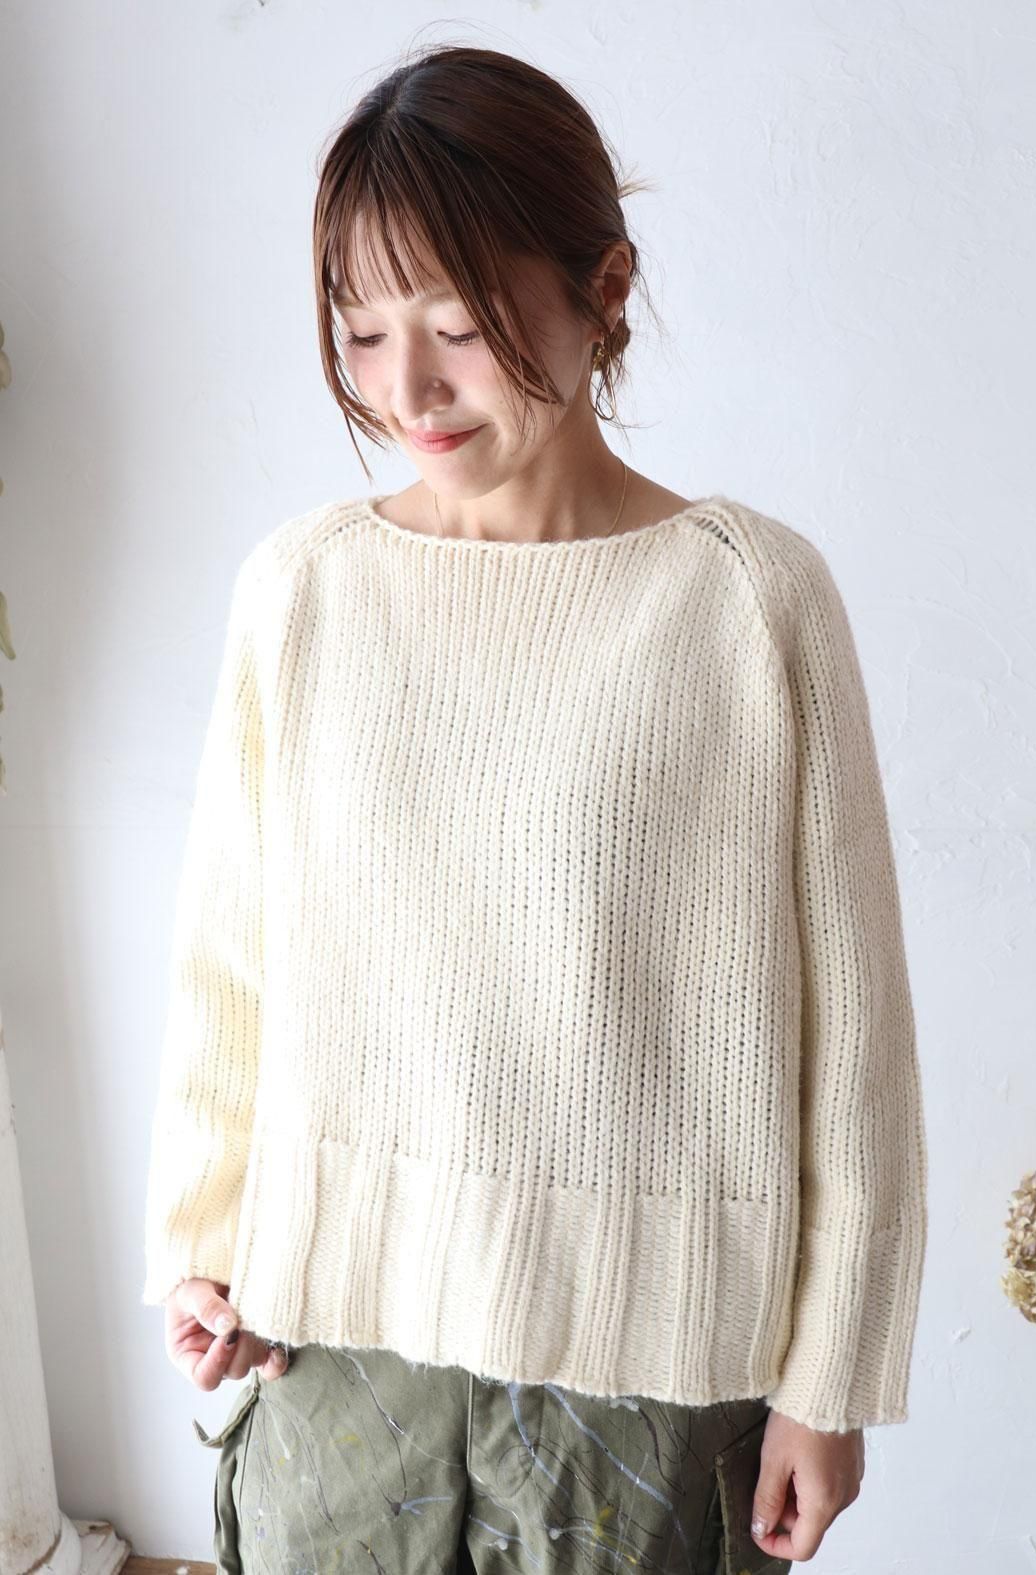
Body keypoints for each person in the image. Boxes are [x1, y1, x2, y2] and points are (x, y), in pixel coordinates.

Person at [141, 41, 928, 1574]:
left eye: (457, 327)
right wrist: (200, 1249)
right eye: (361, 332)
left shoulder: (748, 600)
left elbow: (852, 1036)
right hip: (331, 1354)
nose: (405, 390)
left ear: (603, 289)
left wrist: (828, 1379)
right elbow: (229, 964)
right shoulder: (303, 590)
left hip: (651, 1382)